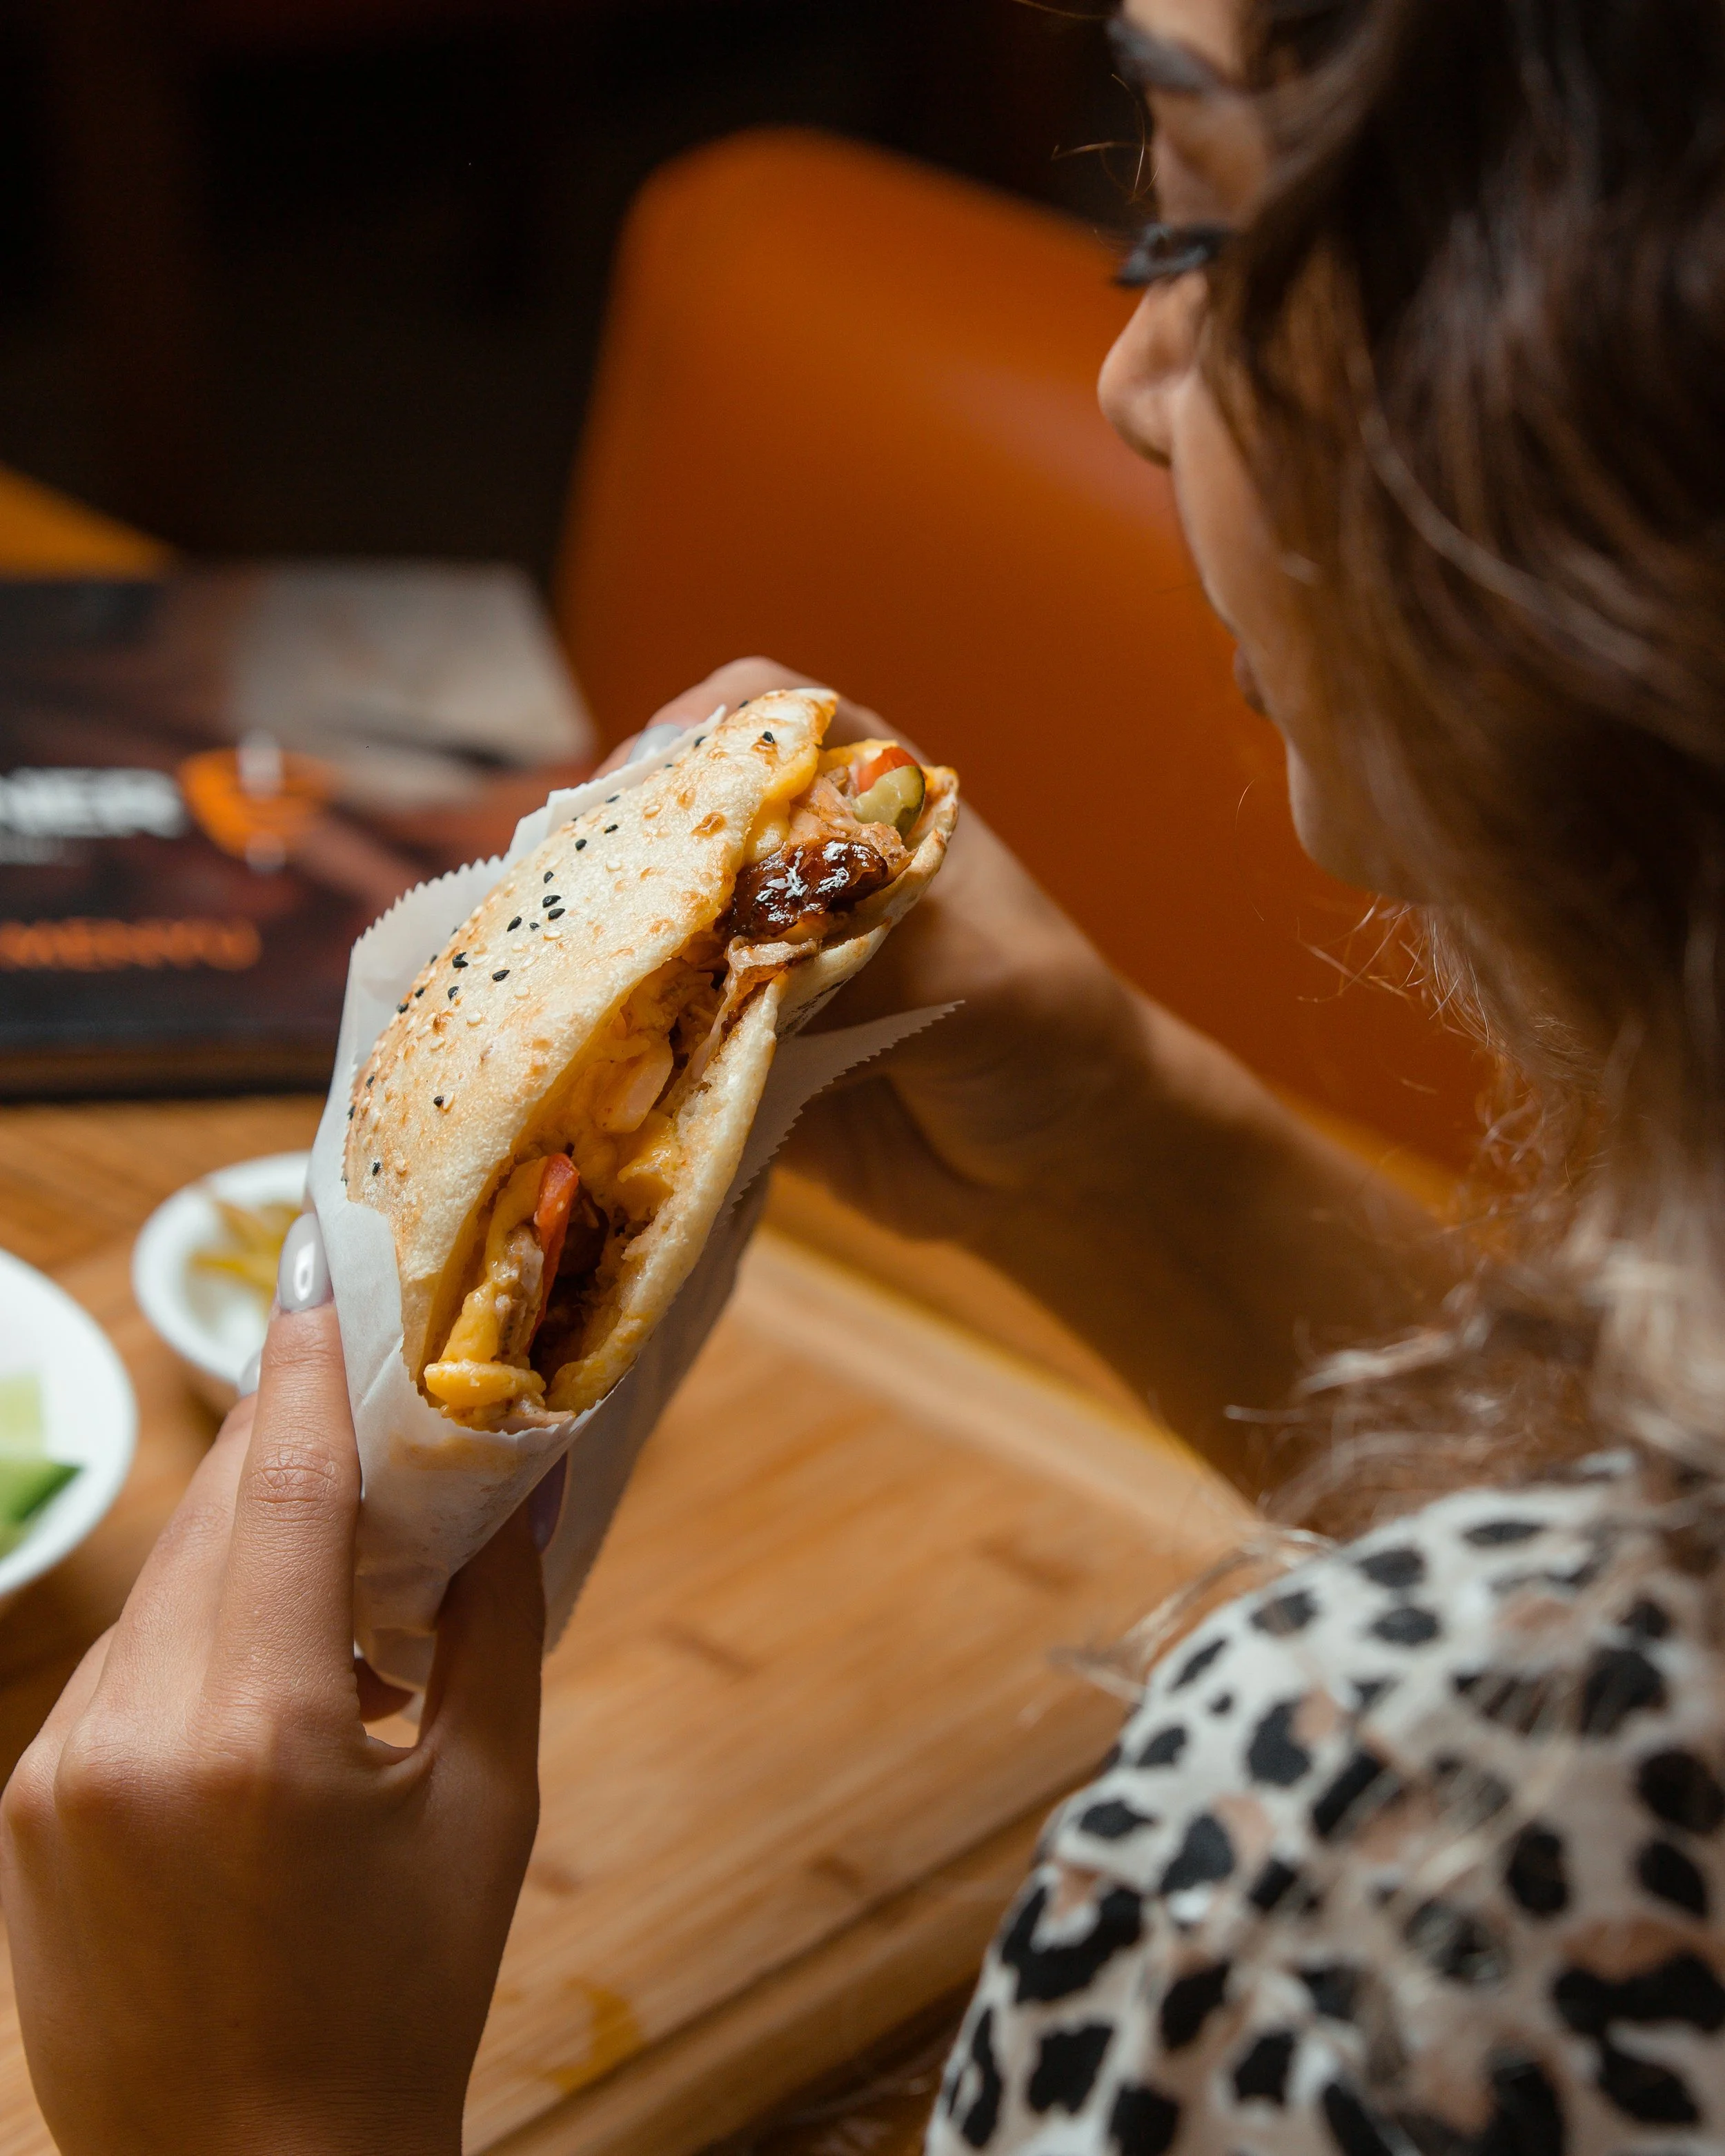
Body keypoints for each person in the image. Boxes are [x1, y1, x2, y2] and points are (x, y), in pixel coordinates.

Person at [6, 0, 1724, 2147]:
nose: (1121, 385)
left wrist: (260, 2109)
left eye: (1189, 236)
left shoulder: (1333, 1891)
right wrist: (1128, 1156)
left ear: (1598, 351)